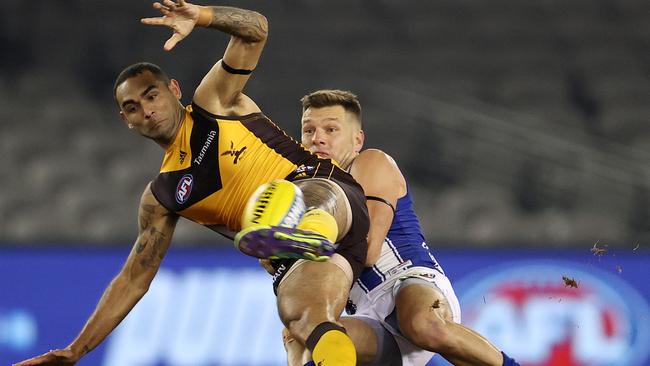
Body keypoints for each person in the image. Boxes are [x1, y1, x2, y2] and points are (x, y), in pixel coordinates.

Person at [13, 3, 368, 366]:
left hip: (331, 195)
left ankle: (304, 229)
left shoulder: (215, 102)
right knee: (303, 320)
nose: (147, 110)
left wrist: (202, 17)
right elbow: (133, 280)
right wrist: (76, 350)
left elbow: (256, 29)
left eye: (151, 95)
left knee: (296, 196)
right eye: (133, 107)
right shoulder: (163, 196)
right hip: (300, 260)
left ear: (174, 89)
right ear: (126, 121)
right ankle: (299, 245)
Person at [280, 89, 520, 366]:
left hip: (407, 284)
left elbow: (367, 251)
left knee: (421, 324)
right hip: (370, 317)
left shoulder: (370, 162)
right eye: (308, 130)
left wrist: (295, 244)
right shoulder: (303, 195)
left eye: (331, 129)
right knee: (302, 332)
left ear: (357, 140)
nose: (317, 138)